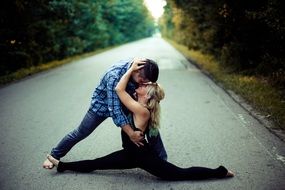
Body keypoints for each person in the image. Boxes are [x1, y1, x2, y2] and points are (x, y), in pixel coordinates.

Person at [47, 60, 234, 180]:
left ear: (147, 95)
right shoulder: (137, 103)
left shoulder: (140, 110)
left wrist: (128, 72)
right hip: (130, 154)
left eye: (144, 86)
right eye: (142, 82)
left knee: (178, 174)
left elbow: (119, 91)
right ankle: (62, 165)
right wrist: (130, 70)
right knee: (97, 163)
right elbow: (118, 95)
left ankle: (220, 171)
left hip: (141, 157)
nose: (140, 85)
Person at [43, 58, 168, 169]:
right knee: (81, 132)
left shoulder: (141, 68)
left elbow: (145, 94)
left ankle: (161, 160)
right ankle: (54, 155)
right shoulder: (114, 75)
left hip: (125, 102)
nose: (142, 84)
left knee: (151, 125)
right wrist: (131, 133)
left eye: (146, 83)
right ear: (136, 71)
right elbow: (115, 109)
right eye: (143, 80)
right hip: (102, 107)